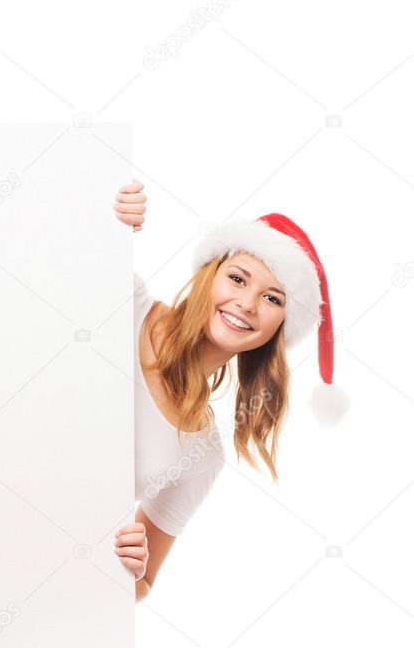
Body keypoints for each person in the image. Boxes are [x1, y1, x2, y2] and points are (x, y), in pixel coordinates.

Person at [112, 183, 344, 602]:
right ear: (209, 274)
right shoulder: (120, 301)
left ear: (280, 328)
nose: (247, 303)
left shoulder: (203, 455)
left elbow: (140, 587)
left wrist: (126, 570)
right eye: (237, 278)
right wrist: (101, 226)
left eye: (272, 298)